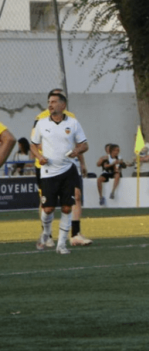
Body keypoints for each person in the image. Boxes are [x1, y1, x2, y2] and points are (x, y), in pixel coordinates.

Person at [31, 92, 89, 254]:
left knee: (66, 208)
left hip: (68, 170)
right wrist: (39, 157)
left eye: (54, 102)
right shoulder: (41, 123)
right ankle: (46, 234)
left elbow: (84, 145)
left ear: (62, 105)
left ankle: (61, 245)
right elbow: (33, 145)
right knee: (48, 208)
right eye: (49, 102)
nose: (50, 105)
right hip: (48, 172)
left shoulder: (73, 122)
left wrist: (76, 151)